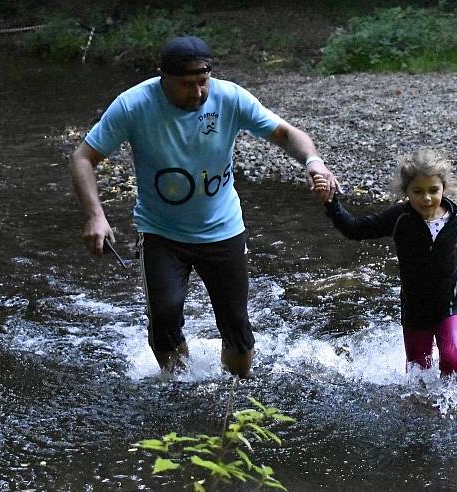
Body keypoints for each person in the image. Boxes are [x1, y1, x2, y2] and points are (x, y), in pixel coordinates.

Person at [69, 35, 339, 378]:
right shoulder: (133, 105)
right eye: (186, 84)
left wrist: (313, 161)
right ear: (161, 76)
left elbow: (286, 133)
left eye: (202, 81)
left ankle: (236, 396)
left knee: (236, 325)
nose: (197, 93)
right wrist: (95, 215)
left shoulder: (229, 97)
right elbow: (82, 158)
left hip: (222, 228)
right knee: (164, 321)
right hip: (161, 232)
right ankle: (180, 392)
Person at [313, 149, 457, 377]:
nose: (426, 198)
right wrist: (331, 203)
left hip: (450, 306)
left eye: (434, 190)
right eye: (418, 191)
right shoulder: (399, 218)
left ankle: (455, 409)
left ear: (444, 188)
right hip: (415, 310)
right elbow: (355, 229)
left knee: (453, 363)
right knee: (418, 374)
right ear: (406, 192)